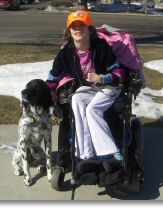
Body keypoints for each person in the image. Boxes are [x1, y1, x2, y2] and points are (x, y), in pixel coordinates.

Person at [47, 10, 125, 163]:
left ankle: (109, 153)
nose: (78, 29)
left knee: (92, 109)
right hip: (88, 90)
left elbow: (119, 73)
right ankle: (85, 153)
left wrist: (102, 77)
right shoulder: (66, 51)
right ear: (69, 30)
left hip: (109, 87)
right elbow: (53, 76)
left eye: (82, 25)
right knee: (76, 99)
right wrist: (47, 92)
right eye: (74, 26)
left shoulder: (101, 47)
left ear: (90, 29)